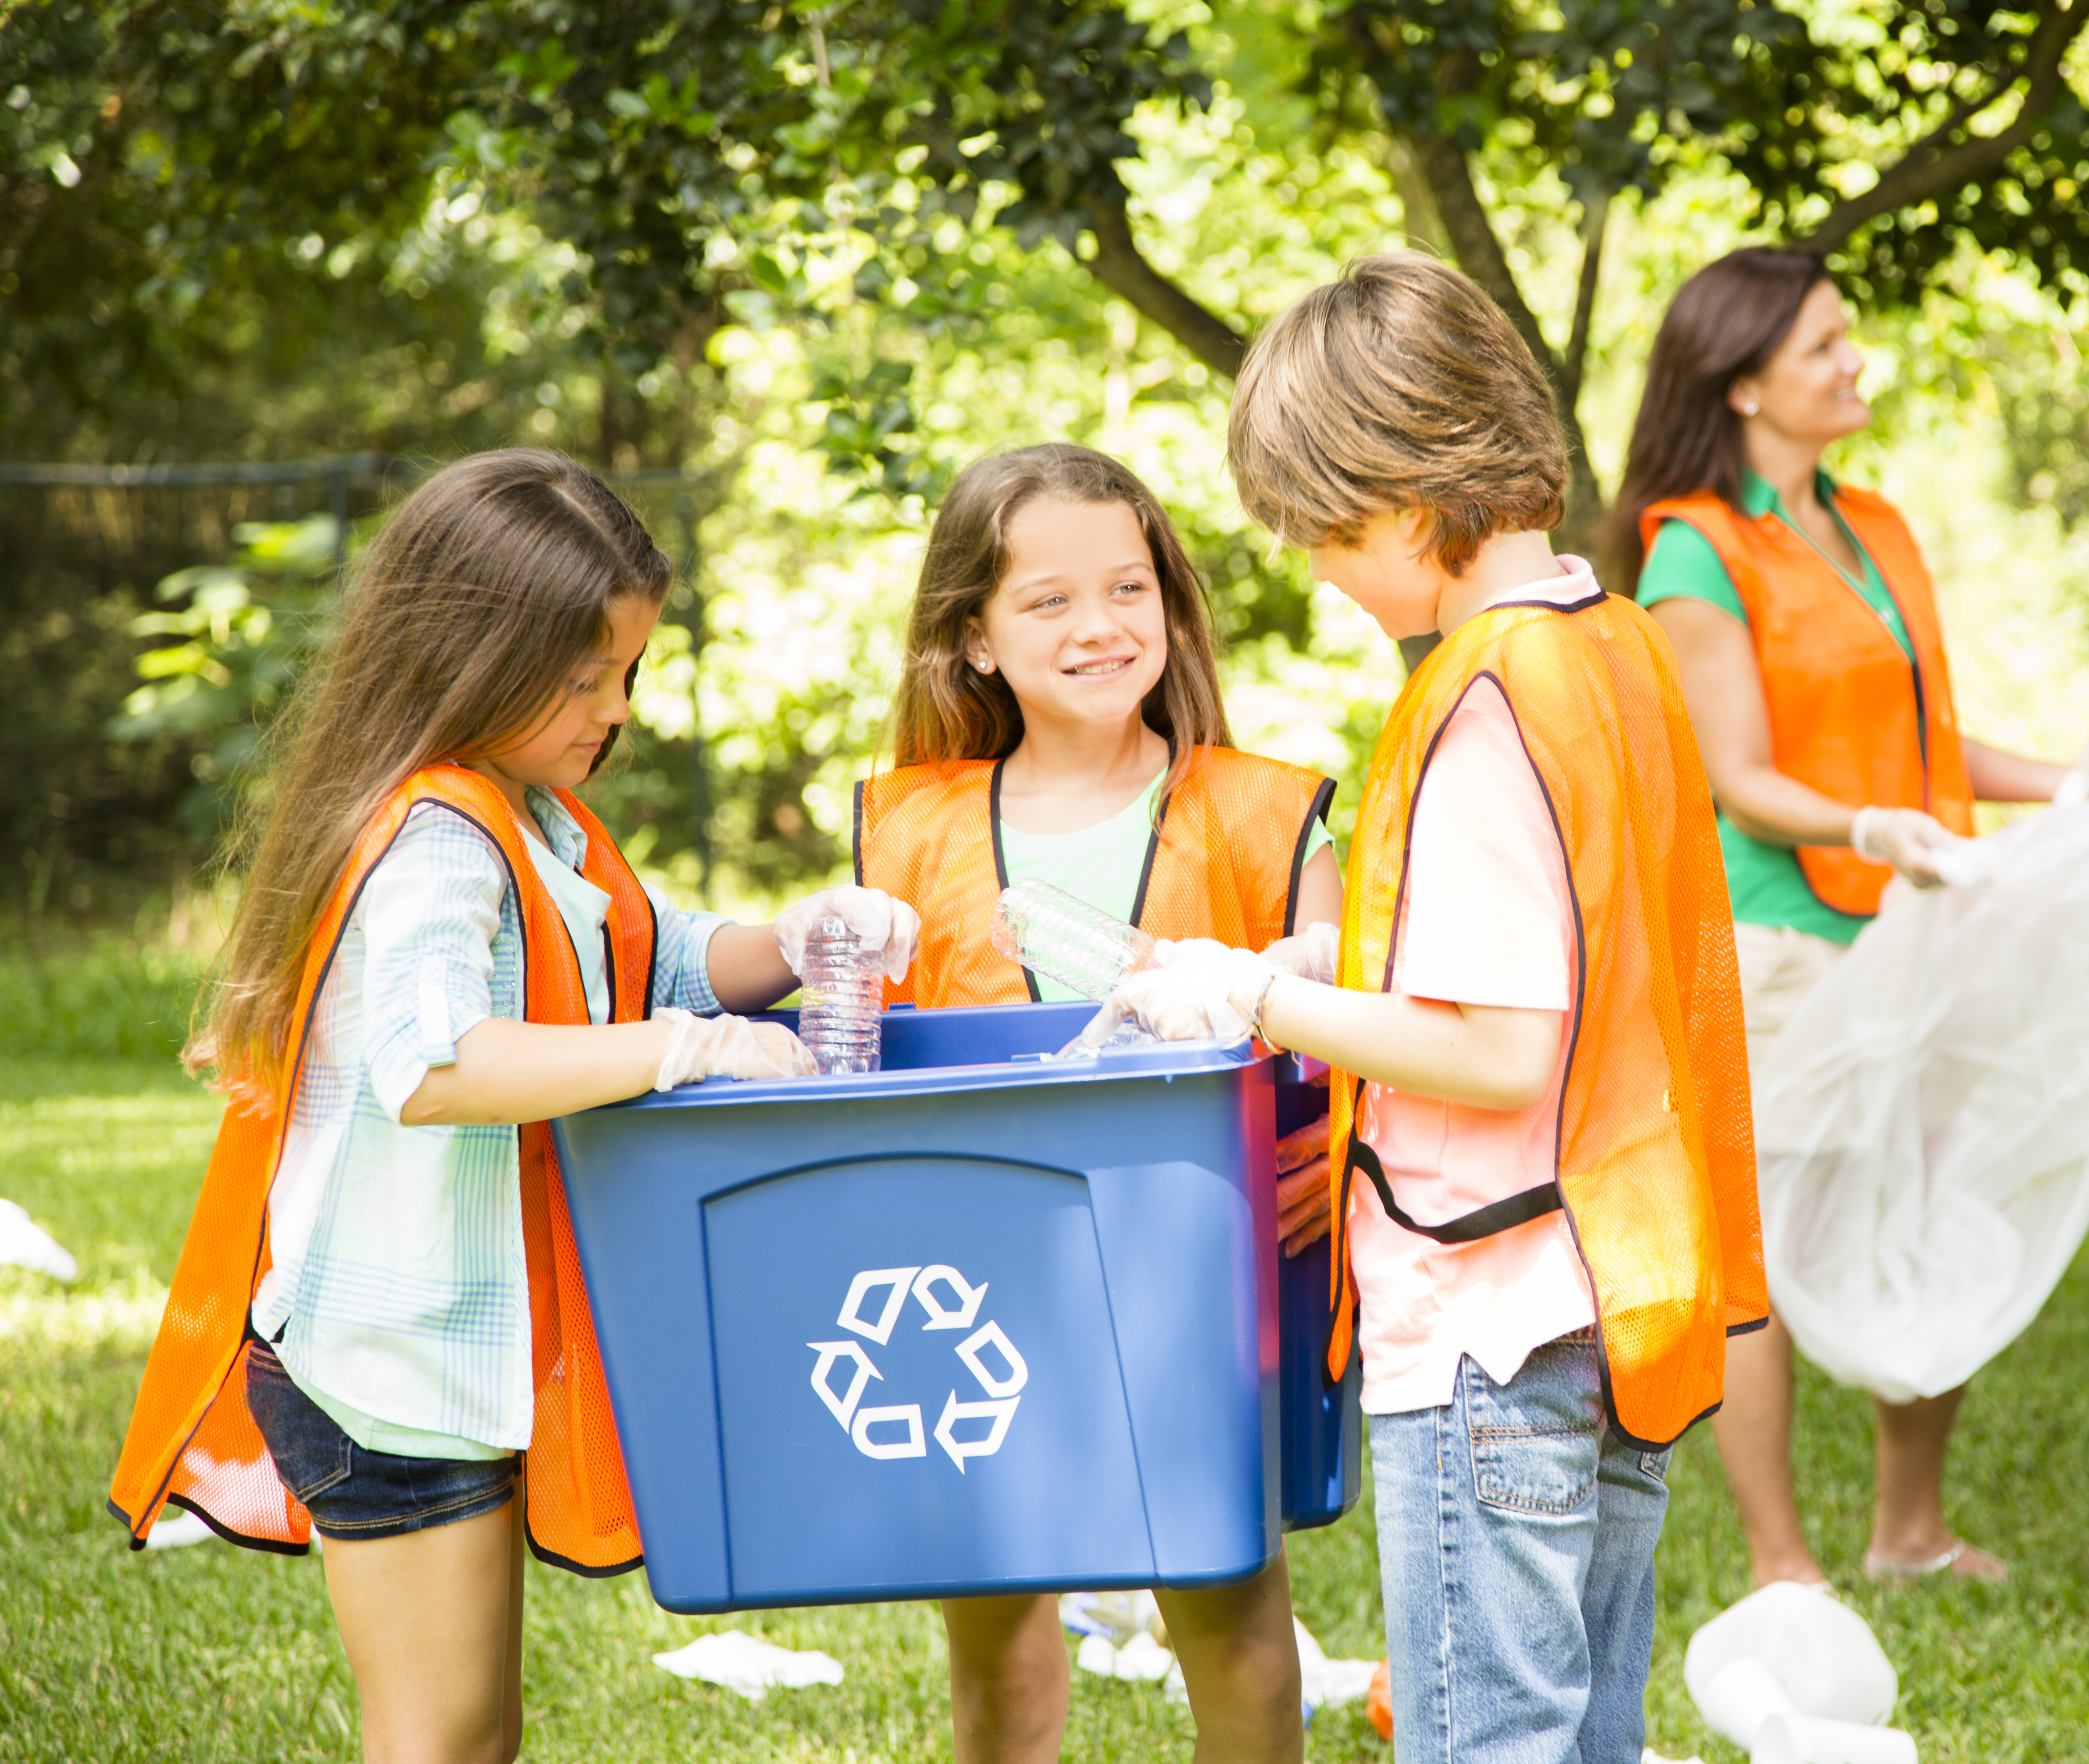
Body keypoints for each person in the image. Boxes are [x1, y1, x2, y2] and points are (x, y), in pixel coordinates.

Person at [108, 449, 917, 1764]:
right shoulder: (435, 836)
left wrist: (796, 935)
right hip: (389, 1369)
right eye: (583, 677)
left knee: (481, 1734)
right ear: (471, 657)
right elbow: (436, 1068)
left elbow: (646, 948)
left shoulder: (528, 815)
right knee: (437, 1739)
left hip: (454, 1363)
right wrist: (683, 1054)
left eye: (629, 674)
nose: (616, 709)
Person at [1125, 250, 1765, 1764]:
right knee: (1583, 1740)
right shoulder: (1605, 643)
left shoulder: (1484, 705)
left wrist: (1256, 995)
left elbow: (1493, 1050)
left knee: (1488, 1744)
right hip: (1612, 1299)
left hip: (1492, 1331)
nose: (1315, 571)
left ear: (1406, 506)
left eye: (1317, 531)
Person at [852, 441, 1338, 1764]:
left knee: (1230, 1618)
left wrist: (1338, 1150)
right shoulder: (907, 829)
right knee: (998, 1635)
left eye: (1128, 588)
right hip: (975, 1272)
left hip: (1192, 1276)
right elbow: (867, 1062)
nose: (1100, 626)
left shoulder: (1262, 813)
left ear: (1172, 608)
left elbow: (1352, 1014)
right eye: (1049, 601)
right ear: (975, 640)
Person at [1617, 247, 2085, 1587]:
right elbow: (1741, 780)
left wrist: (2087, 785)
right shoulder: (1693, 554)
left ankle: (1911, 1534)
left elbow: (1929, 743)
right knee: (1770, 1254)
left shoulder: (1874, 525)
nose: (1851, 360)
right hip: (1780, 940)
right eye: (1823, 344)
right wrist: (1867, 830)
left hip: (1917, 929)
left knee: (1930, 1213)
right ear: (1746, 381)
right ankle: (1784, 1565)